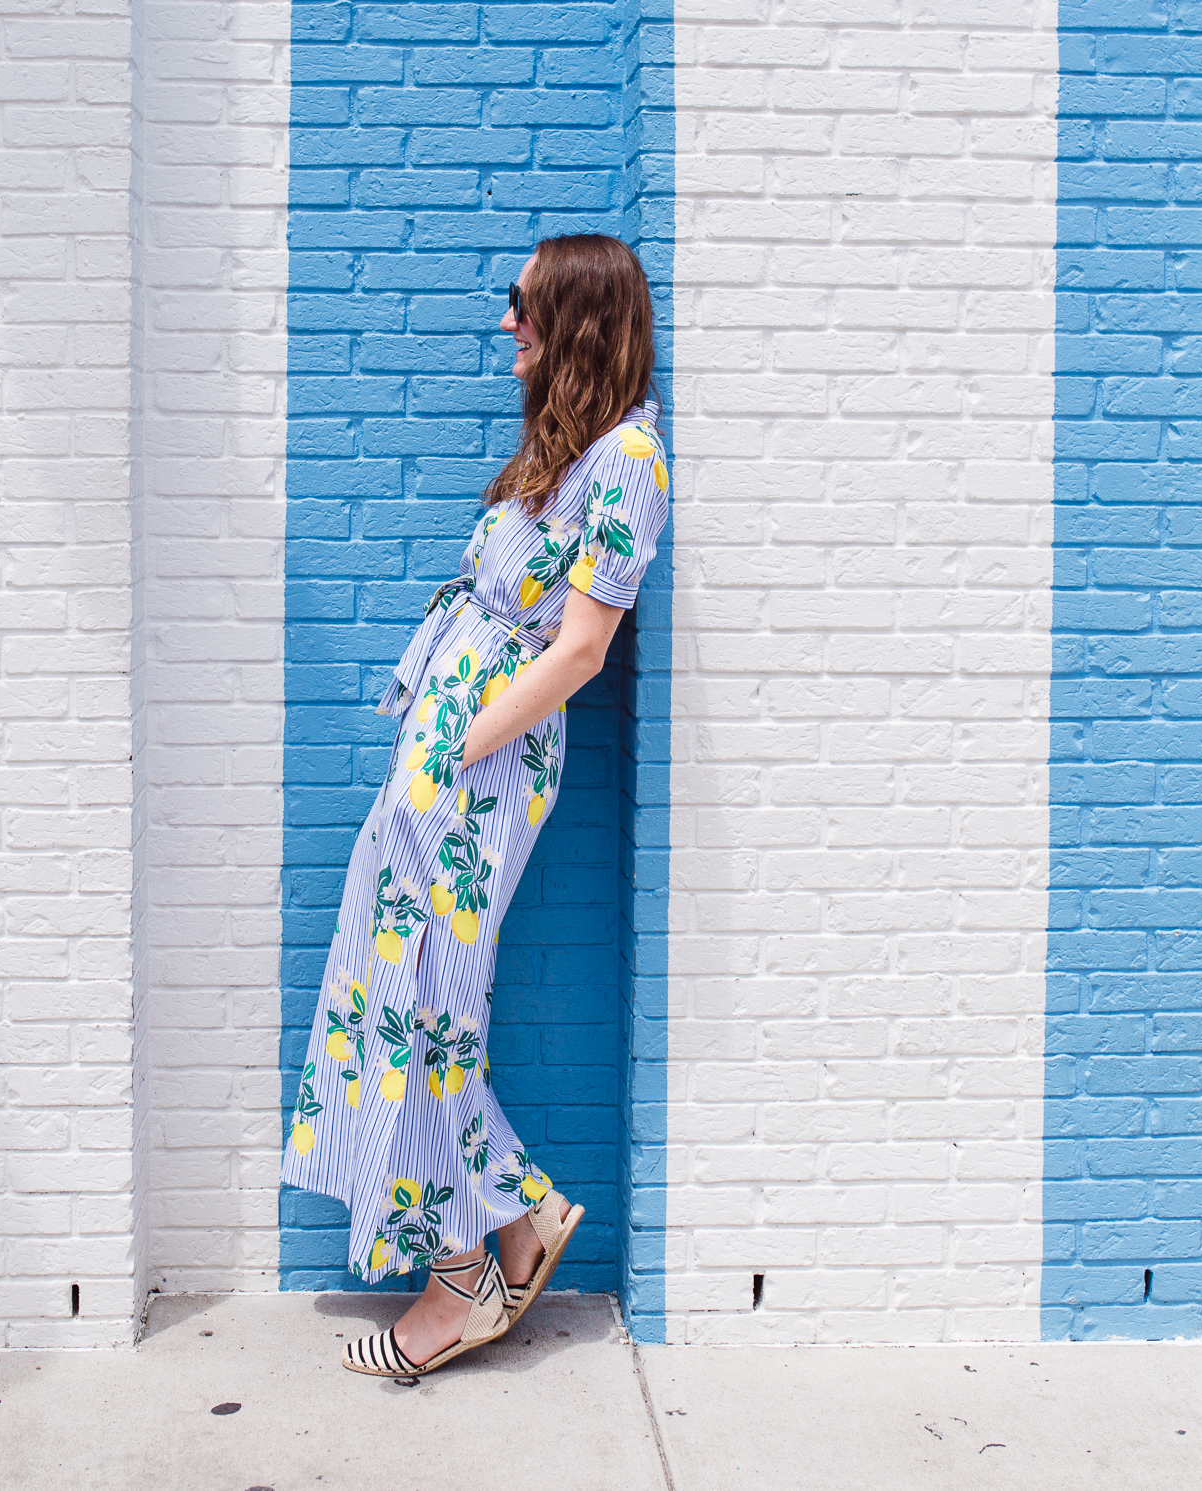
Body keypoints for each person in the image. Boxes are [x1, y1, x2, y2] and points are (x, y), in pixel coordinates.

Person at [281, 233, 671, 1378]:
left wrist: (456, 748)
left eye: (525, 305)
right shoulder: (574, 449)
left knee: (429, 1008)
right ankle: (515, 1219)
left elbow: (584, 651)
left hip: (482, 764)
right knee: (390, 986)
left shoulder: (631, 461)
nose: (508, 324)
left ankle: (465, 1278)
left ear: (580, 320)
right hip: (450, 749)